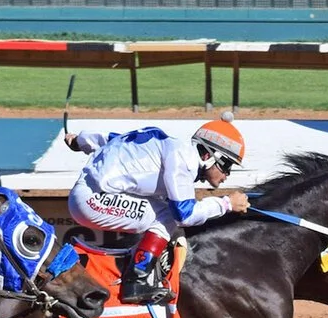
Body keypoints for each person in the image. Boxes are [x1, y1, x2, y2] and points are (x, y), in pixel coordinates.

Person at [64, 118, 250, 305]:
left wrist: (80, 141)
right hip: (92, 200)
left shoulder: (170, 144)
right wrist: (226, 204)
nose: (227, 174)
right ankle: (136, 281)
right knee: (168, 215)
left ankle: (139, 265)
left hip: (90, 192)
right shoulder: (184, 161)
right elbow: (184, 216)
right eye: (226, 165)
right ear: (207, 155)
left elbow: (115, 138)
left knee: (163, 205)